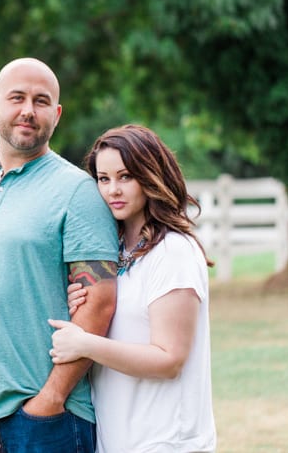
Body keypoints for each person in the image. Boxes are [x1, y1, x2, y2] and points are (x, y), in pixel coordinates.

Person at [0, 57, 119, 452]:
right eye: (17, 98)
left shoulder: (77, 191)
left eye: (41, 101)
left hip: (46, 421)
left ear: (56, 114)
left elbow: (99, 300)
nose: (28, 110)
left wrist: (50, 399)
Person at [48, 124, 218, 452]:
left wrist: (85, 343)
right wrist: (82, 302)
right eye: (103, 178)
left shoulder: (173, 251)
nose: (113, 189)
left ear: (150, 176)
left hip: (167, 441)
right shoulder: (114, 252)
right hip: (117, 439)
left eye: (126, 176)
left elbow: (169, 360)